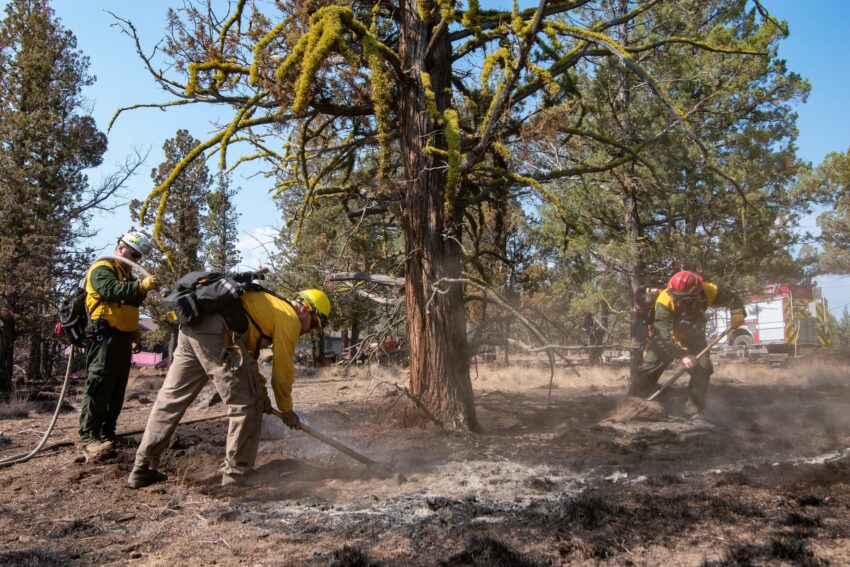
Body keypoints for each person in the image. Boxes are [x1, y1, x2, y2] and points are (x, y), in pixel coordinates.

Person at [127, 280, 331, 489]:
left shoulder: (269, 306)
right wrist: (286, 410)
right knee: (246, 406)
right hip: (216, 333)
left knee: (171, 399)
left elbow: (247, 360)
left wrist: (262, 394)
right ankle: (237, 475)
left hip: (192, 327)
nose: (309, 331)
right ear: (305, 308)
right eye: (313, 323)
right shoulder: (290, 318)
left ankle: (143, 466)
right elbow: (283, 371)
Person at [79, 231, 158, 455]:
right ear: (120, 248)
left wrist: (134, 334)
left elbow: (132, 303)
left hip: (121, 339)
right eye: (133, 254)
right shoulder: (101, 269)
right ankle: (89, 438)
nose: (136, 260)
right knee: (99, 386)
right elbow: (111, 291)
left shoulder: (127, 275)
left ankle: (107, 434)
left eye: (139, 257)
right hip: (104, 337)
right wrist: (141, 286)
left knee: (116, 389)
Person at [627, 270, 745, 417]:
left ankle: (693, 412)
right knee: (648, 370)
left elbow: (733, 298)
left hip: (694, 338)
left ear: (694, 294)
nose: (677, 300)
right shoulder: (664, 300)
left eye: (681, 298)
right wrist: (683, 355)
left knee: (703, 368)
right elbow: (663, 334)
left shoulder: (707, 290)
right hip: (666, 340)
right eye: (675, 296)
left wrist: (737, 312)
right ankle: (630, 406)